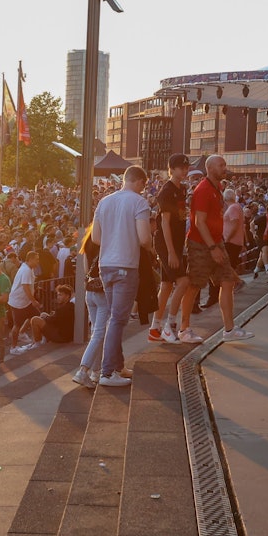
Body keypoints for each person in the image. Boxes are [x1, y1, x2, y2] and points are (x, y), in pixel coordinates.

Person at [179, 156, 254, 343]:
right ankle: (184, 328)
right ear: (210, 168)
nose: (224, 168)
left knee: (228, 281)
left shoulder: (217, 188)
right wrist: (213, 247)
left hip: (215, 242)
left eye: (224, 165)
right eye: (221, 165)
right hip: (201, 244)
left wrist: (217, 243)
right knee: (195, 284)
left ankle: (229, 329)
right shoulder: (204, 189)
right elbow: (199, 222)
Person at [91, 165, 154, 387]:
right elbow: (145, 238)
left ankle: (118, 366)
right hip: (126, 265)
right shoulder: (138, 202)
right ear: (139, 182)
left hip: (105, 264)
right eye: (143, 185)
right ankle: (107, 373)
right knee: (117, 319)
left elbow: (96, 238)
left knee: (113, 318)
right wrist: (148, 247)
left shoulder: (104, 202)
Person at [151, 153, 190, 344]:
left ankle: (154, 327)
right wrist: (172, 252)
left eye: (186, 167)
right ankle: (170, 326)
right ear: (171, 169)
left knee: (166, 286)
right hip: (166, 244)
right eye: (181, 167)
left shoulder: (182, 189)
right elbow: (165, 224)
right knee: (183, 282)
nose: (184, 170)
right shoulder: (166, 191)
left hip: (174, 243)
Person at [74, 228, 109, 389]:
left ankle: (95, 371)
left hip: (90, 290)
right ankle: (83, 370)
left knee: (96, 332)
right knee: (99, 333)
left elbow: (86, 270)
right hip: (101, 291)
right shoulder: (105, 243)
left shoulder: (87, 244)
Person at [7, 251, 40, 352]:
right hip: (18, 302)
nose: (38, 262)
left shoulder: (28, 269)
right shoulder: (26, 270)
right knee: (17, 324)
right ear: (30, 259)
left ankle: (25, 334)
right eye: (37, 259)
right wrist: (33, 300)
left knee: (35, 316)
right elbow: (25, 286)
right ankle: (13, 347)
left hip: (24, 301)